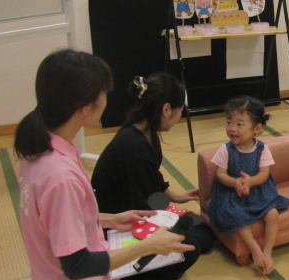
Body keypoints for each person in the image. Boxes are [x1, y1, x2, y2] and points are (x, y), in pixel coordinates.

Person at [15, 49, 201, 280]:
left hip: (82, 279)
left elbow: (56, 220)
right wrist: (148, 246)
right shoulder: (59, 176)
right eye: (103, 93)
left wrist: (109, 220)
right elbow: (76, 265)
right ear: (85, 107)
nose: (107, 98)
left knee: (182, 251)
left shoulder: (40, 150)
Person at [91, 74, 215, 264]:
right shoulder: (134, 148)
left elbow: (152, 176)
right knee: (193, 246)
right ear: (166, 109)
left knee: (202, 233)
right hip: (117, 224)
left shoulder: (144, 131)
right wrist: (172, 217)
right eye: (180, 110)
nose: (180, 116)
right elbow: (143, 204)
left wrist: (176, 197)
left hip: (133, 206)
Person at [206, 96, 289, 275]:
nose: (232, 128)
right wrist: (234, 182)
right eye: (229, 122)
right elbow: (220, 174)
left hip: (259, 192)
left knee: (272, 214)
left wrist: (251, 181)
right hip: (233, 195)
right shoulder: (226, 149)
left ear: (257, 128)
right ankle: (254, 248)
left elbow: (264, 173)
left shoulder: (262, 148)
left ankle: (267, 251)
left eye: (239, 124)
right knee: (237, 216)